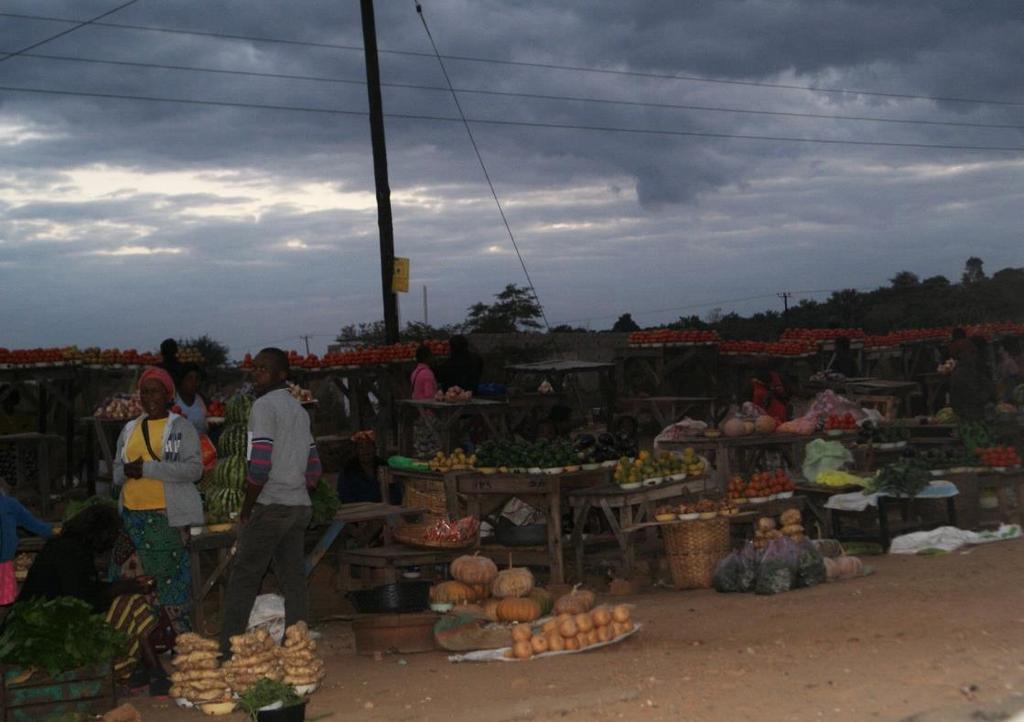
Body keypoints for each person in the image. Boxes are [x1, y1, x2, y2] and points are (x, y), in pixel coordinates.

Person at [219, 348, 322, 655]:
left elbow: (259, 466)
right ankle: (297, 646)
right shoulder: (299, 410)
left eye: (264, 369)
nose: (256, 374)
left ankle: (227, 650)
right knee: (293, 579)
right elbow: (314, 468)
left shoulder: (263, 407)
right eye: (255, 368)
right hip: (298, 507)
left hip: (271, 505)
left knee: (244, 578)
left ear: (282, 375)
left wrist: (248, 509)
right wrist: (295, 485)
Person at [18, 504, 167, 691]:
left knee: (132, 600)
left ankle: (150, 671)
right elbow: (82, 603)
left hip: (59, 620)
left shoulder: (71, 546)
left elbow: (88, 590)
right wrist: (122, 587)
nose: (113, 541)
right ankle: (149, 672)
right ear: (100, 533)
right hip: (48, 629)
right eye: (112, 535)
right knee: (131, 603)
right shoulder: (68, 552)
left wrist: (126, 586)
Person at [111, 366, 204, 639]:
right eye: (144, 392)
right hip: (132, 518)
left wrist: (148, 469)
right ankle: (145, 640)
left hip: (166, 517)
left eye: (155, 391)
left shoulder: (180, 428)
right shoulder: (129, 429)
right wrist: (126, 472)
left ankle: (179, 639)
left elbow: (193, 470)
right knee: (133, 581)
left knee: (169, 580)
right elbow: (116, 472)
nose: (149, 397)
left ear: (168, 395)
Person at [0, 480, 52, 608]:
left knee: (5, 604)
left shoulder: (9, 505)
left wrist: (53, 531)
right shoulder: (9, 505)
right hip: (4, 563)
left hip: (3, 565)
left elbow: (33, 524)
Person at [410, 345, 440, 458]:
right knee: (431, 443)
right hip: (428, 412)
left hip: (418, 410)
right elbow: (429, 395)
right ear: (427, 357)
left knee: (420, 441)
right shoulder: (427, 373)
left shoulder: (415, 372)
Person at [174, 363, 208, 434]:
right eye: (190, 378)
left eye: (197, 378)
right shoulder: (173, 401)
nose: (194, 382)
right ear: (181, 380)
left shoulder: (202, 401)